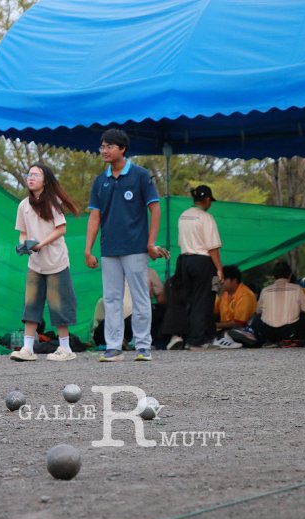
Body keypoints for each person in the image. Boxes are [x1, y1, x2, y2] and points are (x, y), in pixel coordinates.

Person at [85, 129, 168, 362]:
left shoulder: (141, 175)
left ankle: (143, 347)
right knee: (111, 299)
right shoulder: (100, 181)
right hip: (109, 248)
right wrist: (88, 249)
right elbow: (94, 217)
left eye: (109, 146)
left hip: (136, 248)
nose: (104, 150)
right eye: (102, 146)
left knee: (141, 297)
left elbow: (155, 209)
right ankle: (113, 347)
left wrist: (151, 243)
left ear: (122, 149)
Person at [9, 162, 81, 362]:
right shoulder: (23, 205)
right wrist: (24, 245)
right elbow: (23, 232)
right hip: (35, 264)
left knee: (59, 305)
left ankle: (65, 348)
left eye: (36, 175)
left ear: (46, 180)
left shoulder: (53, 201)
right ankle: (27, 348)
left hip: (56, 262)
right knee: (31, 304)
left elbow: (61, 229)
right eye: (29, 174)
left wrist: (41, 244)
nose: (30, 177)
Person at [162, 185, 224, 350]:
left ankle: (180, 334)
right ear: (208, 199)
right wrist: (219, 268)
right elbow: (212, 247)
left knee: (185, 298)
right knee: (202, 300)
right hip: (202, 261)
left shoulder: (183, 216)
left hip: (184, 260)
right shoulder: (206, 218)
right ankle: (197, 340)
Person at [231, 261, 305, 347]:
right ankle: (302, 340)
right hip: (290, 332)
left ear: (274, 276)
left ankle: (253, 334)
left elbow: (258, 311)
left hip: (268, 332)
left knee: (256, 317)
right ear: (290, 275)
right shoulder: (297, 289)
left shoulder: (265, 290)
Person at [212, 265, 256, 348]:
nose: (221, 282)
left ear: (234, 280)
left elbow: (238, 323)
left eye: (224, 279)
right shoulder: (224, 293)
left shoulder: (245, 295)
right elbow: (213, 311)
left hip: (243, 329)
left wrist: (216, 325)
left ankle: (224, 339)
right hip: (226, 328)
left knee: (235, 332)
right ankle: (223, 338)